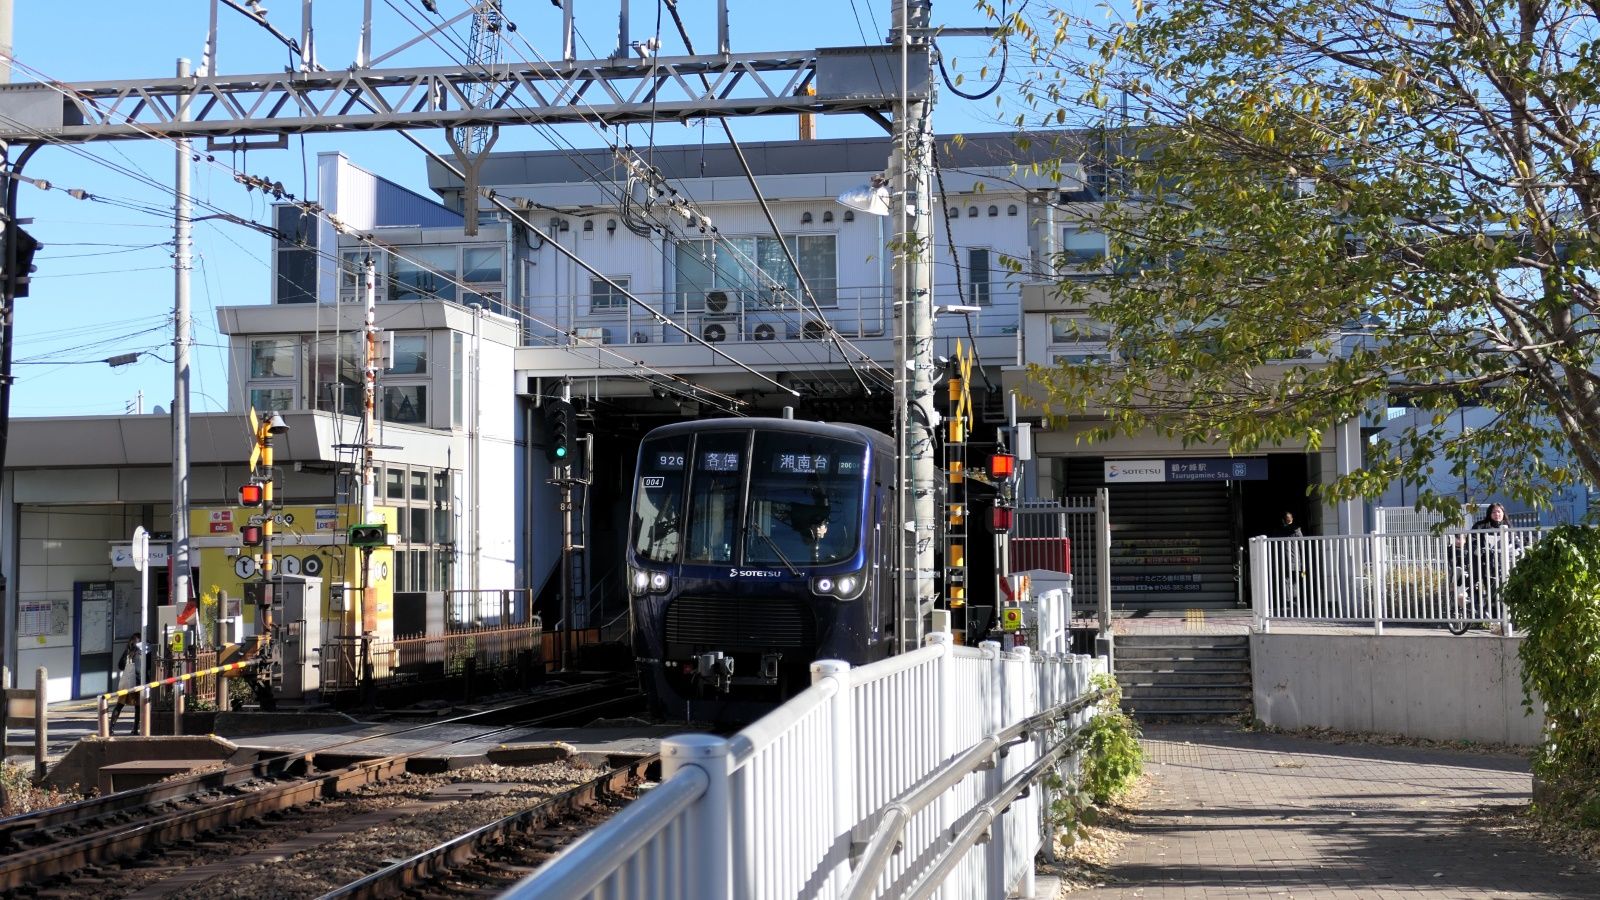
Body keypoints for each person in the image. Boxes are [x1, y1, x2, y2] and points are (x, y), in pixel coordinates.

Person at [108, 634, 142, 734]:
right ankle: (135, 729)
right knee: (138, 707)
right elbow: (145, 667)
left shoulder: (127, 652)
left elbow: (120, 666)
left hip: (126, 683)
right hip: (137, 682)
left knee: (119, 705)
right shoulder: (141, 652)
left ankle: (111, 728)